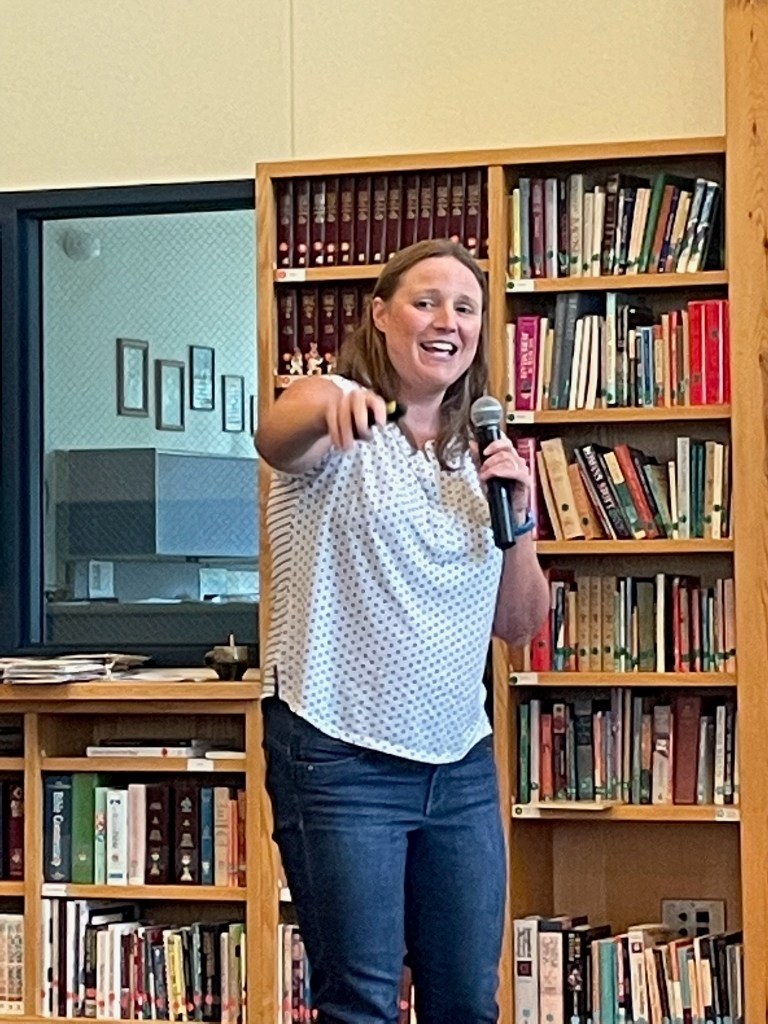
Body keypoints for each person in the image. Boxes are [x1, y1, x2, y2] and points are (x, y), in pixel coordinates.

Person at [256, 238, 550, 1024]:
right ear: (381, 314)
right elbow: (276, 433)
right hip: (338, 753)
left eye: (466, 307)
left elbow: (519, 623)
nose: (447, 321)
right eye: (426, 302)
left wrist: (521, 521)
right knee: (362, 1002)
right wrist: (329, 405)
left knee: (467, 1000)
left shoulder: (482, 455)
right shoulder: (339, 415)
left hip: (458, 762)